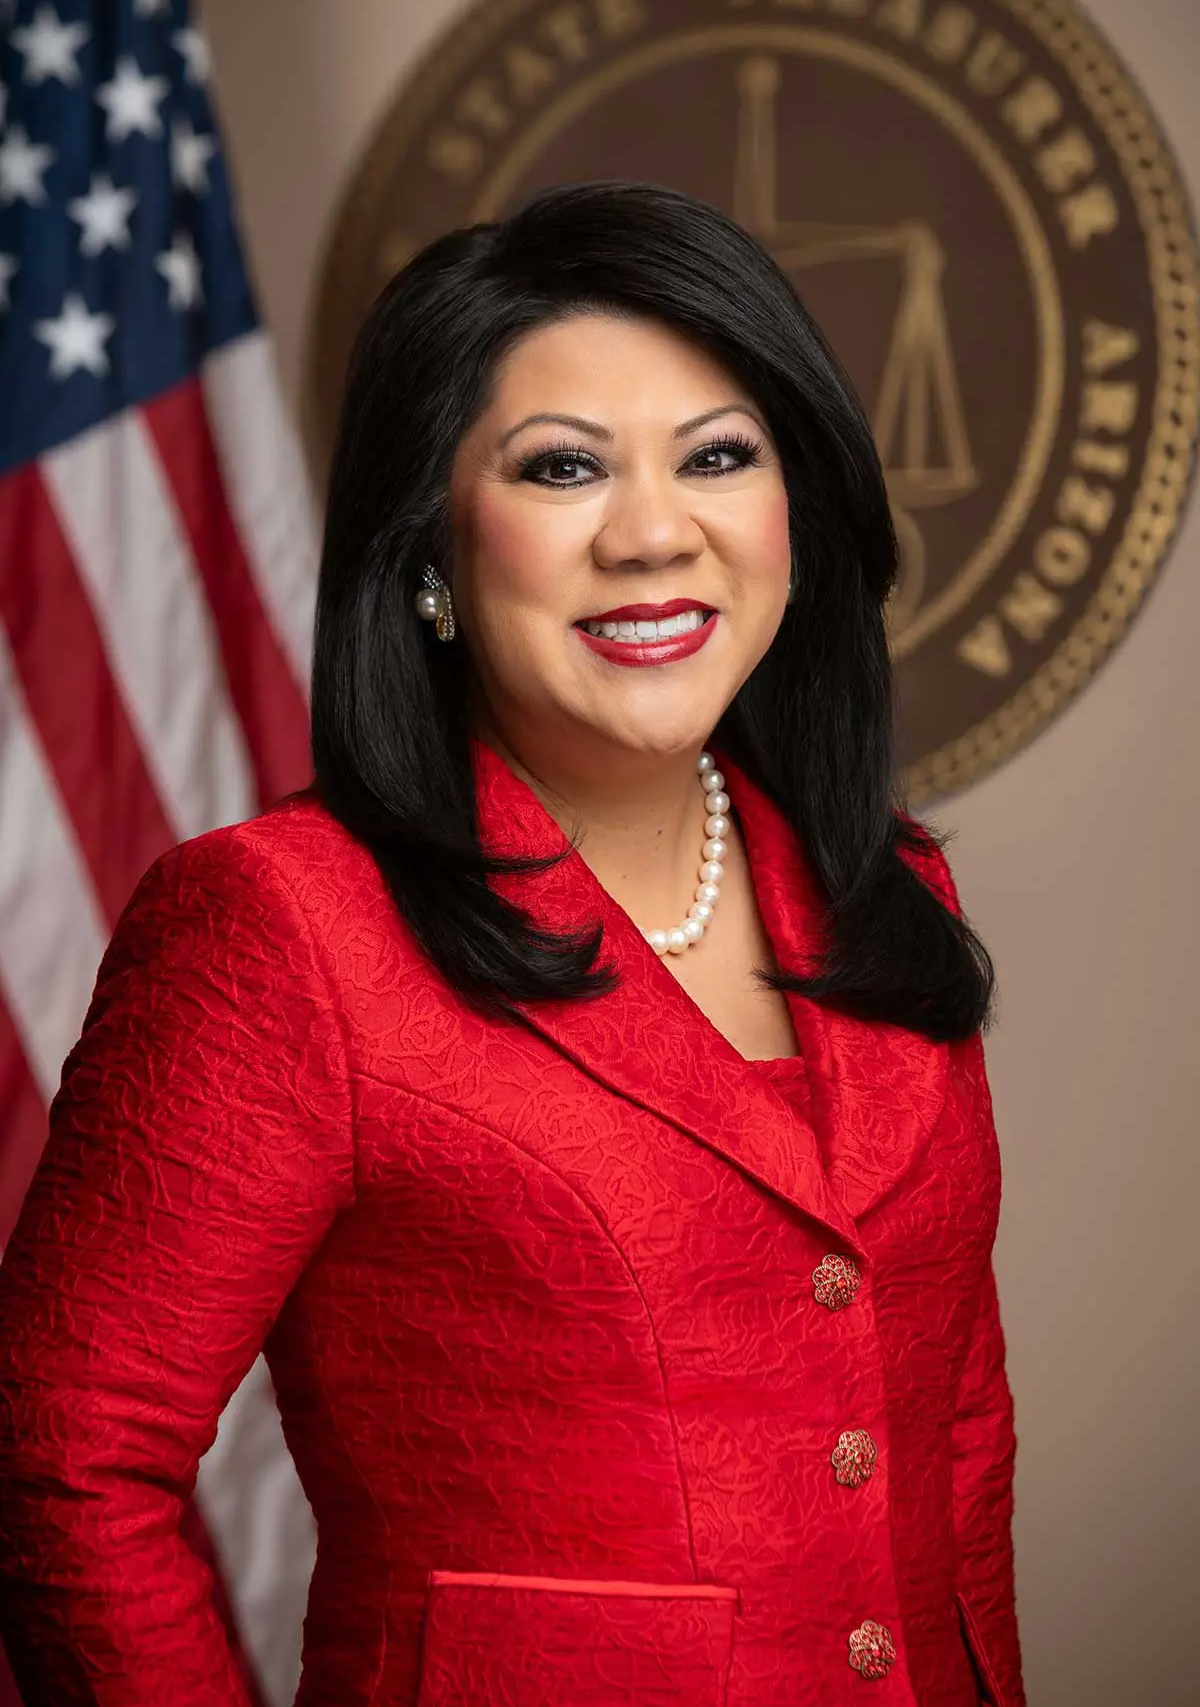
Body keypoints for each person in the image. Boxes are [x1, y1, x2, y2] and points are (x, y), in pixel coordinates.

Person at [0, 181, 1024, 1707]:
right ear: (431, 554)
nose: (654, 532)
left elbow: (953, 1427)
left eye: (719, 457)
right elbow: (64, 1462)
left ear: (793, 520)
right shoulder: (282, 928)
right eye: (562, 469)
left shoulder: (891, 892)